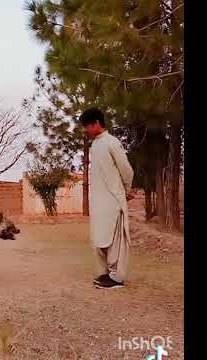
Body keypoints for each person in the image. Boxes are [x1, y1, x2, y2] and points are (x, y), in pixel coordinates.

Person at [79, 108, 134, 289]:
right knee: (100, 237)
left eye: (87, 126)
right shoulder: (95, 145)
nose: (85, 130)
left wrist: (126, 191)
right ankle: (105, 274)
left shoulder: (112, 142)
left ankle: (117, 278)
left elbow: (126, 169)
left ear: (96, 123)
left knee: (115, 238)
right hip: (99, 202)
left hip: (113, 199)